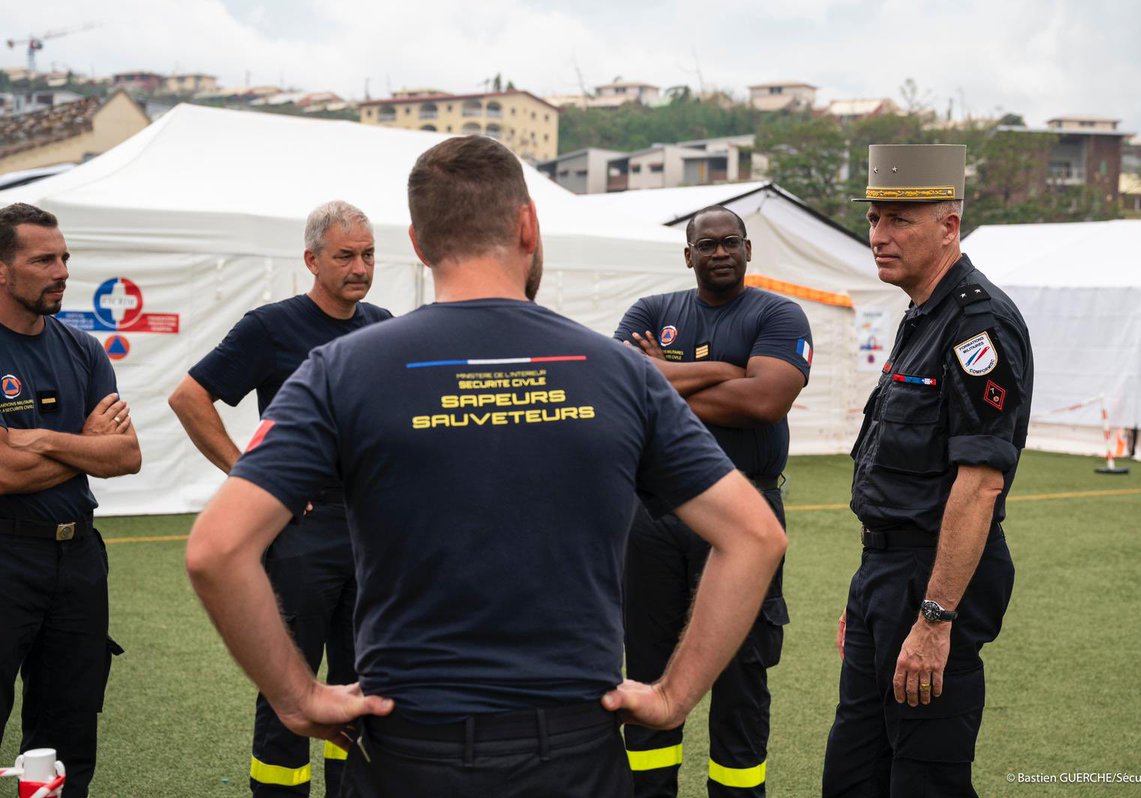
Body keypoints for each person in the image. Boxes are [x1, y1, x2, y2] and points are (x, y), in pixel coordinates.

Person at [185, 135, 788, 798]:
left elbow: (217, 549)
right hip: (572, 748)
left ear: (417, 242)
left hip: (409, 748)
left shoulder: (344, 369)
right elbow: (754, 536)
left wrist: (297, 698)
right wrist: (674, 696)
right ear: (528, 226)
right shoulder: (615, 370)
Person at [822, 144, 1033, 797]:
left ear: (949, 226)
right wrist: (870, 595)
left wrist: (934, 617)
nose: (879, 237)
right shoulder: (921, 313)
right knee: (853, 778)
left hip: (932, 581)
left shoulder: (977, 325)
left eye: (900, 221)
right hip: (886, 580)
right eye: (876, 218)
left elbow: (979, 484)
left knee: (923, 781)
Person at [169, 200, 390, 797]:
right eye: (345, 256)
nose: (360, 267)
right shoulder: (270, 326)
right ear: (311, 260)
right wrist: (256, 478)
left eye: (368, 254)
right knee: (290, 687)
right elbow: (189, 398)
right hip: (302, 532)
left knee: (366, 688)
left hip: (372, 537)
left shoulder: (383, 325)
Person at [615, 206, 812, 798]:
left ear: (748, 250)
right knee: (646, 666)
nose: (720, 252)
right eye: (708, 244)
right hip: (652, 516)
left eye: (731, 242)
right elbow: (624, 384)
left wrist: (667, 376)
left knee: (740, 672)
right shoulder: (653, 311)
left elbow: (764, 402)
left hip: (743, 510)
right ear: (688, 255)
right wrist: (724, 369)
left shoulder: (777, 312)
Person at [0, 202, 142, 797]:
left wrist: (51, 442)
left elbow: (126, 456)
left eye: (64, 258)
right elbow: (4, 475)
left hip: (78, 559)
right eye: (42, 259)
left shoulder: (84, 350)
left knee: (68, 733)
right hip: (6, 557)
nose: (60, 271)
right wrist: (85, 447)